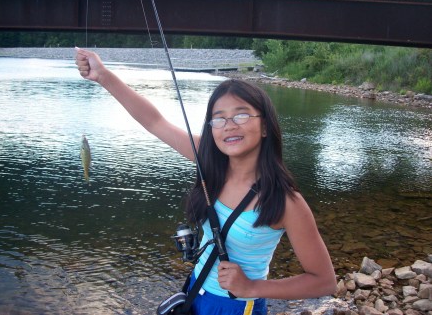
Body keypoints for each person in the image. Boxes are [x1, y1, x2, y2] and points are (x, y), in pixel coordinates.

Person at [75, 47, 337, 315]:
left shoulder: (286, 202)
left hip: (236, 307)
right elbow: (154, 121)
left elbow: (324, 281)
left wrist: (253, 287)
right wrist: (103, 76)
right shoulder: (210, 164)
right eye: (219, 118)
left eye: (242, 114)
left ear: (266, 126)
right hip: (194, 292)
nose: (229, 125)